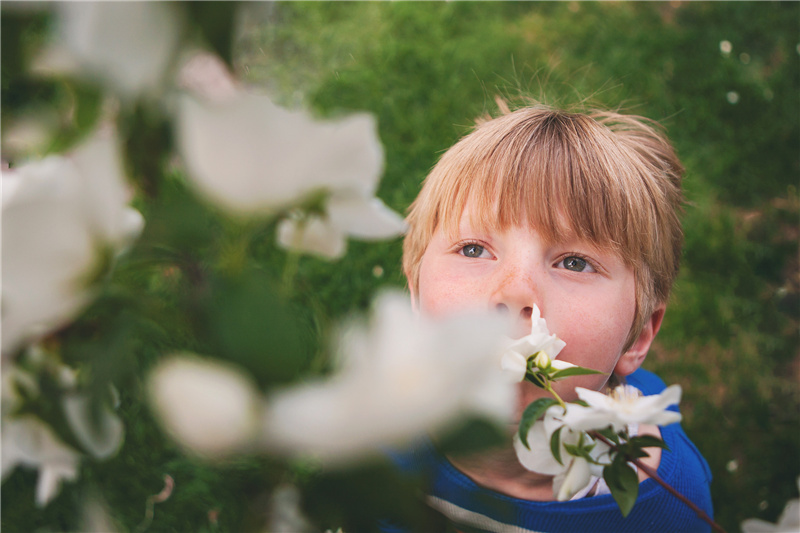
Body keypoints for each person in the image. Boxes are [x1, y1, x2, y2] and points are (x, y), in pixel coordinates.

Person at [387, 100, 713, 532]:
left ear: (637, 337)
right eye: (473, 249)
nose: (514, 290)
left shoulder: (669, 508)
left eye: (574, 262)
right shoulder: (374, 434)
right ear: (415, 296)